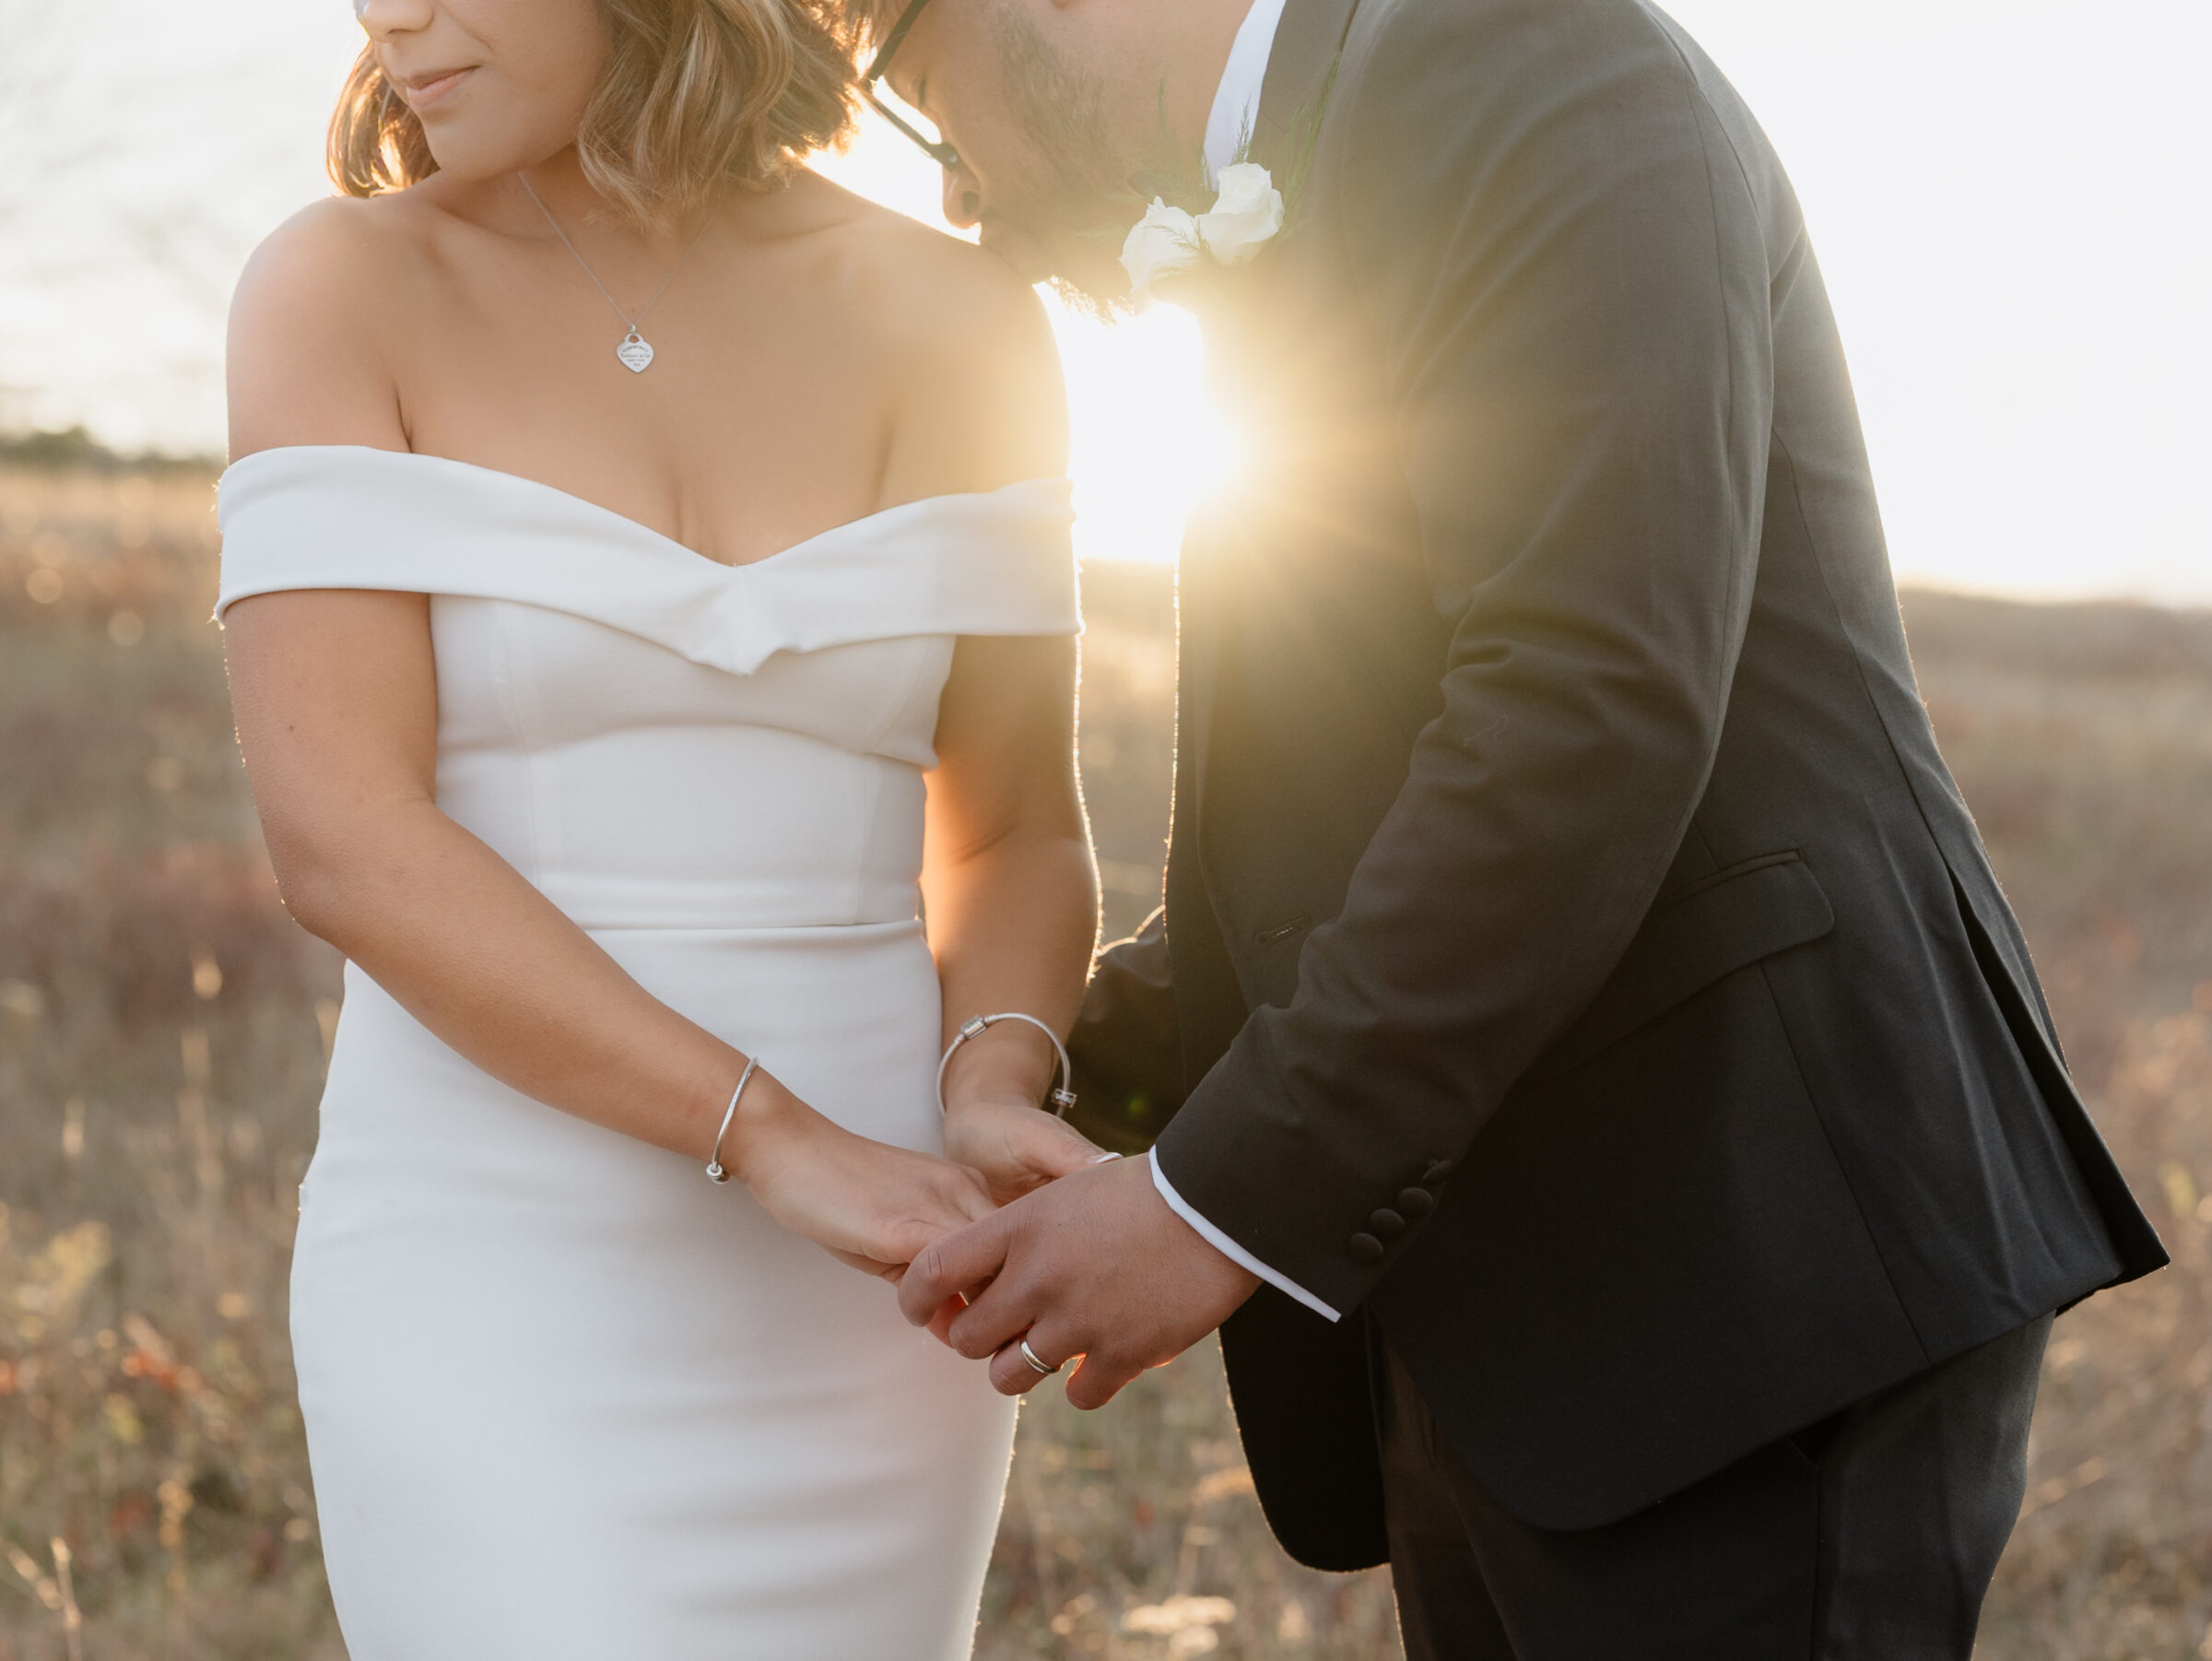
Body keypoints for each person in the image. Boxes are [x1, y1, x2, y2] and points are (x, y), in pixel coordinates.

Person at [875, 0, 2171, 1653]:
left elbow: (1581, 712)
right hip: (1511, 1296)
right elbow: (1352, 826)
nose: (962, 197)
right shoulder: (1327, 156)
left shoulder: (1537, 59)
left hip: (1746, 1269)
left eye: (926, 107)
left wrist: (1204, 1203)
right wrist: (1023, 1061)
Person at [217, 1, 1106, 1654]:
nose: (383, 15)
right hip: (492, 1258)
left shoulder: (968, 319)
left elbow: (1013, 832)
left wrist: (988, 1072)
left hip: (877, 1289)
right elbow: (344, 837)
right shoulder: (339, 290)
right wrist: (774, 1137)